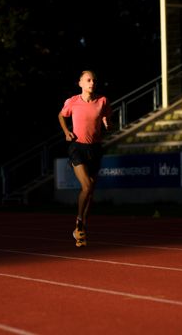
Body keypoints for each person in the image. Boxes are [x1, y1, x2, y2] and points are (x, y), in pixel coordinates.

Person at [58, 70, 112, 247]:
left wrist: (106, 122)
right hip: (77, 147)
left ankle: (81, 230)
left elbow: (106, 115)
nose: (92, 83)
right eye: (88, 80)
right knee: (86, 185)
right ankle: (79, 222)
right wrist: (66, 132)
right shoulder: (72, 101)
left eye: (94, 80)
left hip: (95, 149)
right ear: (80, 83)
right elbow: (61, 115)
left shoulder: (102, 100)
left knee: (90, 193)